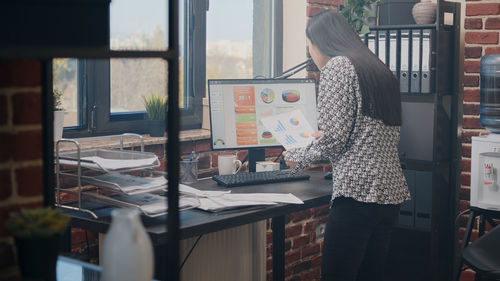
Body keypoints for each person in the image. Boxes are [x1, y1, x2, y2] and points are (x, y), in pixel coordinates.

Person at [283, 10, 410, 281]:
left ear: (319, 42)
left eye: (309, 47)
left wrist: (296, 157)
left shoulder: (338, 67)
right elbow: (368, 131)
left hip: (357, 195)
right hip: (388, 195)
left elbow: (334, 138)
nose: (311, 56)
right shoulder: (377, 69)